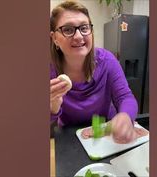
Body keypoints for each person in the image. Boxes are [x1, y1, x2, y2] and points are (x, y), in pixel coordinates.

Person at [50, 0, 138, 144]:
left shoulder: (107, 61)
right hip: (70, 137)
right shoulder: (49, 71)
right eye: (68, 29)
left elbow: (125, 97)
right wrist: (53, 106)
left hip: (105, 133)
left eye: (84, 28)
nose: (78, 36)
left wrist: (125, 116)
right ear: (54, 38)